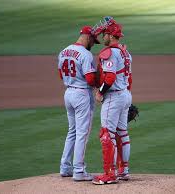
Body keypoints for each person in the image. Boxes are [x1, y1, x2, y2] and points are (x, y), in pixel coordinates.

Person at [92, 17, 133, 185]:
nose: (103, 37)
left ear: (110, 35)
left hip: (114, 96)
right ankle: (123, 170)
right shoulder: (125, 52)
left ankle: (109, 174)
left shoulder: (109, 53)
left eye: (104, 34)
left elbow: (109, 77)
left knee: (106, 134)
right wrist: (126, 98)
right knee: (121, 132)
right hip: (125, 94)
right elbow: (129, 78)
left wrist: (100, 93)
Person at [58, 25, 100, 181]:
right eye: (93, 41)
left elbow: (60, 75)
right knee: (82, 133)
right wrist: (99, 82)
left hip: (68, 93)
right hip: (81, 95)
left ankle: (65, 167)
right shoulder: (85, 54)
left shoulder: (63, 51)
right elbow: (90, 79)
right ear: (88, 37)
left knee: (72, 131)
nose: (93, 44)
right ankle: (79, 171)